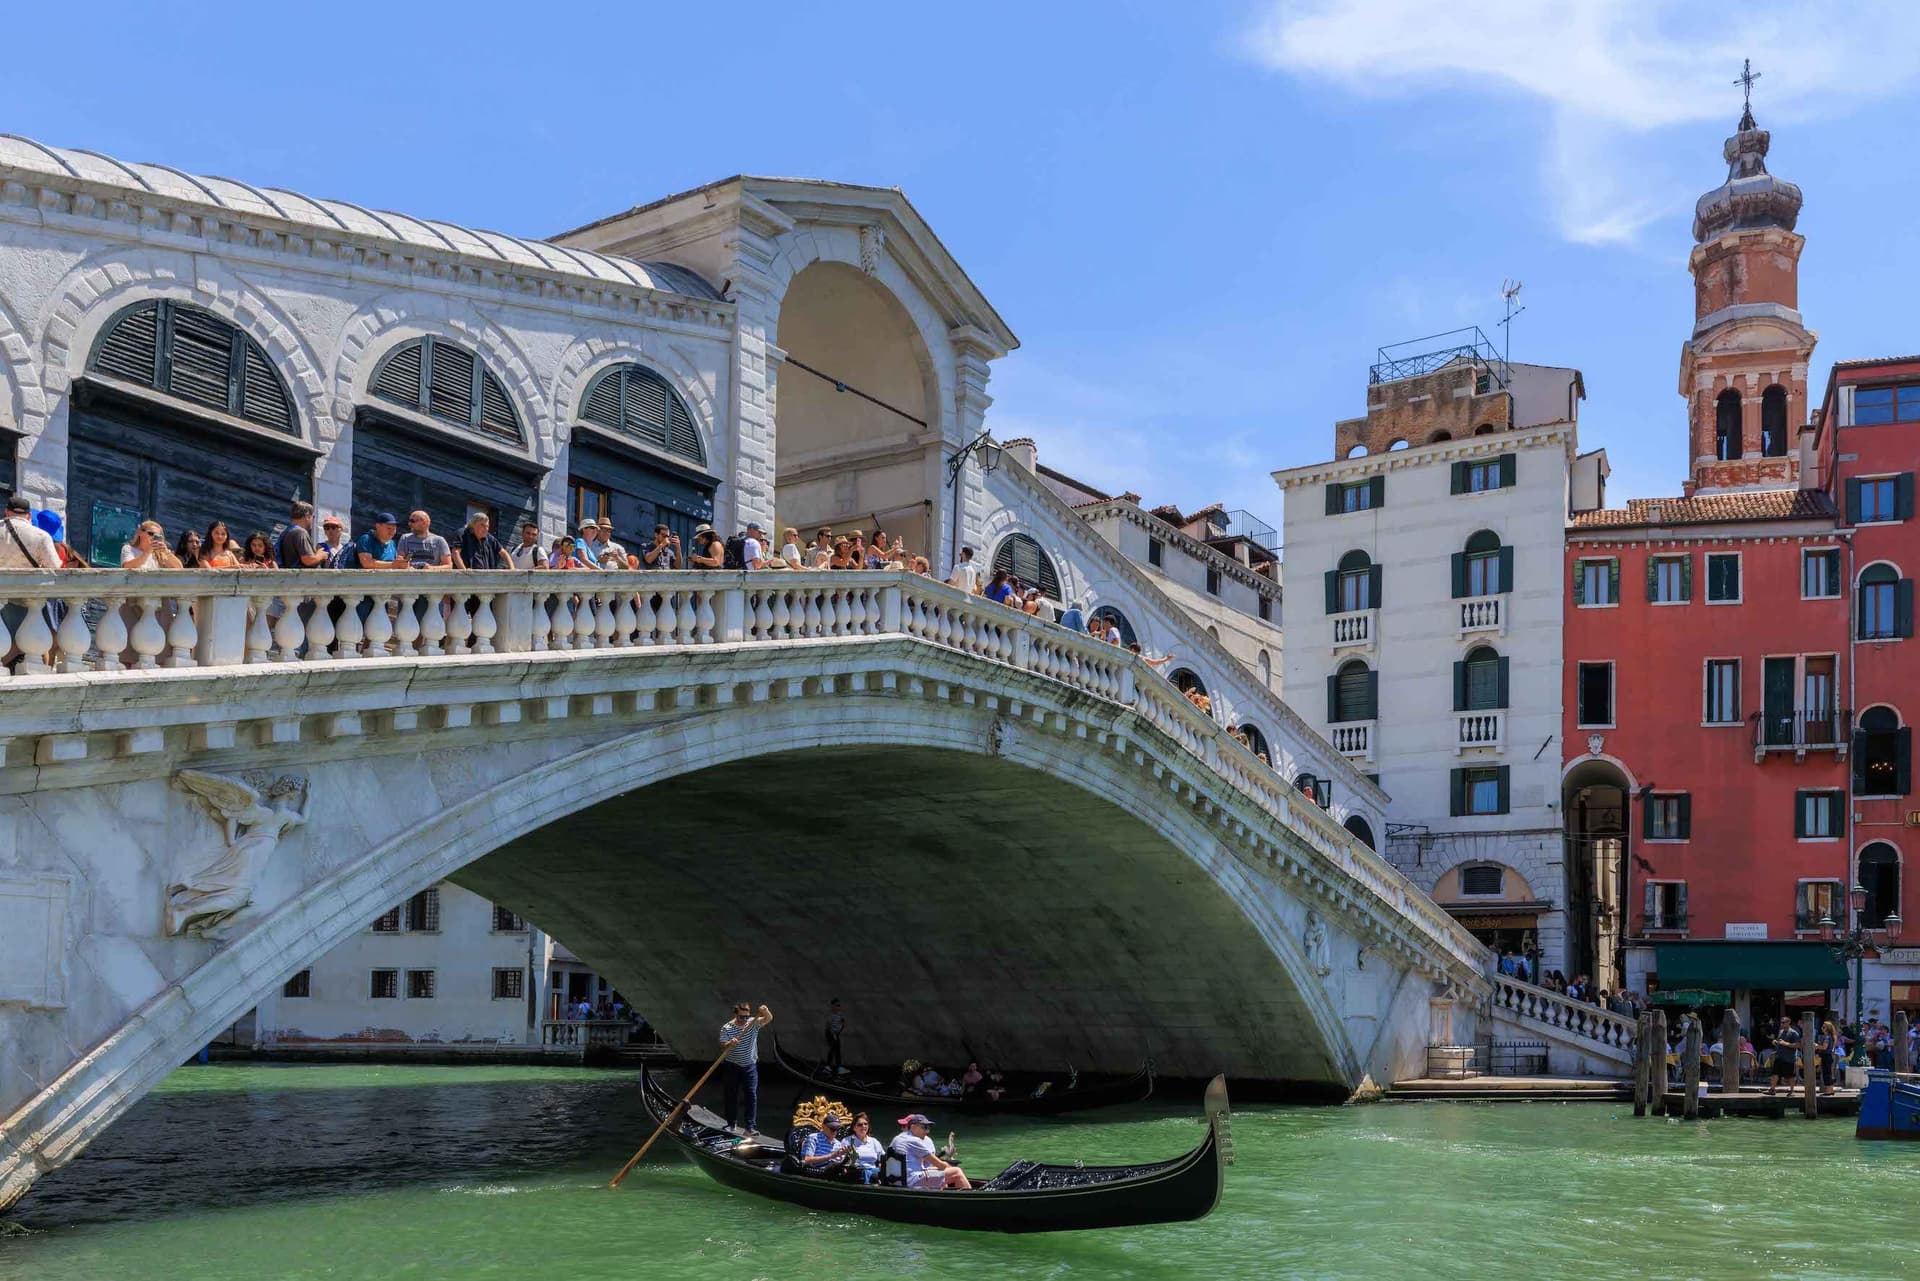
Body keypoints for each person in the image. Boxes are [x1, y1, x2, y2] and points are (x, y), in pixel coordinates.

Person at [719, 1001, 773, 1135]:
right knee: (731, 1095)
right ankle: (731, 1124)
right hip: (732, 1065)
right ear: (735, 1014)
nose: (744, 1019)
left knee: (751, 1095)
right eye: (741, 1017)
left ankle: (750, 1128)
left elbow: (768, 1018)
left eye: (746, 1016)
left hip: (750, 1066)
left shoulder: (753, 1023)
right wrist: (730, 1043)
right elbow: (723, 1046)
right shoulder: (727, 1028)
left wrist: (765, 1011)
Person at [889, 1113, 969, 1189]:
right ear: (913, 1127)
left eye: (928, 1128)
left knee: (942, 1173)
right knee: (956, 1172)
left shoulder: (897, 1138)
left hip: (896, 1181)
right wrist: (950, 1166)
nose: (927, 1132)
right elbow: (940, 1165)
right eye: (924, 1127)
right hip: (912, 1181)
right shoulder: (914, 1141)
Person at [276, 500, 330, 568]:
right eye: (313, 517)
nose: (313, 520)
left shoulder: (286, 532)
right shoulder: (300, 532)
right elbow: (308, 560)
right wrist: (320, 556)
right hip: (299, 577)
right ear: (307, 516)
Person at [845, 1112, 886, 1184]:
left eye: (865, 1124)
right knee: (865, 1174)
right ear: (854, 1127)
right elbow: (844, 1161)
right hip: (856, 1173)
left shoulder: (874, 1141)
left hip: (874, 1171)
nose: (863, 1126)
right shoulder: (847, 1141)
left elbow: (883, 1159)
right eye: (860, 1124)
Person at [1765, 1015, 1800, 1096]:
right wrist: (1775, 1041)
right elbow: (1779, 1040)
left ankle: (1791, 1090)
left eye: (1784, 1022)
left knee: (1791, 1076)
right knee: (1774, 1074)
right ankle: (1772, 1089)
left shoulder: (1794, 1033)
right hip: (1779, 1056)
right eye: (1781, 1022)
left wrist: (1785, 1043)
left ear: (1788, 1022)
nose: (1782, 1024)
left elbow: (1798, 1045)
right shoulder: (1781, 1031)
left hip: (1789, 1058)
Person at [824, 998, 849, 1075]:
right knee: (833, 1048)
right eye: (836, 1005)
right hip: (830, 1033)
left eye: (839, 1005)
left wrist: (843, 1023)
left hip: (836, 1034)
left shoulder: (839, 1014)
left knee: (837, 1049)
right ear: (832, 1006)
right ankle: (828, 1067)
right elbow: (828, 1026)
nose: (838, 1007)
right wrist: (834, 1035)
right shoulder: (831, 1015)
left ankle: (838, 1067)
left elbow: (843, 1020)